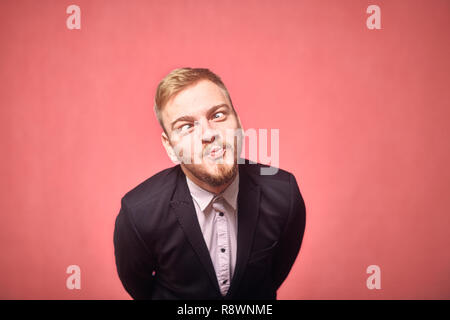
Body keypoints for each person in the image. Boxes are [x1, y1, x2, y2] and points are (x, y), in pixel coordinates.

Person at [113, 67, 306, 299]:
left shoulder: (284, 194)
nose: (208, 134)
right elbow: (139, 286)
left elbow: (275, 273)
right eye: (186, 126)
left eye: (217, 115)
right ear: (169, 147)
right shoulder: (139, 213)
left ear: (239, 124)